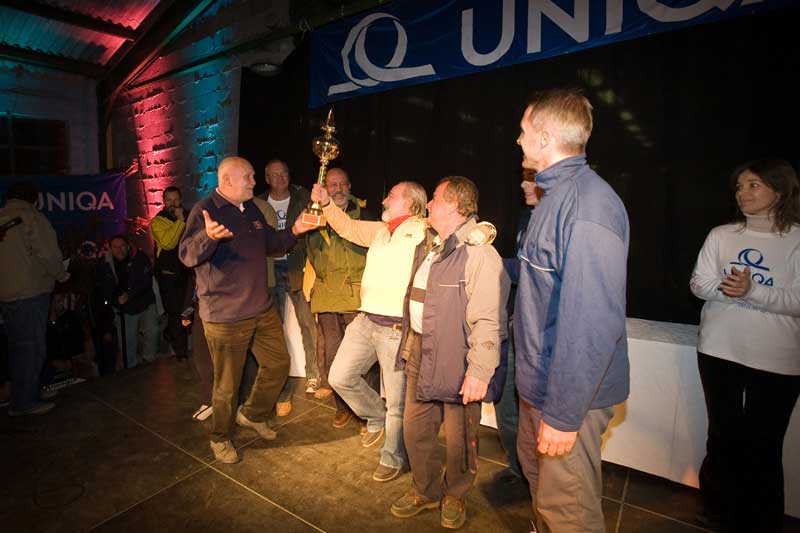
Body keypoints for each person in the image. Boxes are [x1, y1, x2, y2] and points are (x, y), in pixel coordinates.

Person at [514, 89, 630, 533]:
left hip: (566, 397)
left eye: (523, 131)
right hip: (543, 385)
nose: (518, 140)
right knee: (548, 498)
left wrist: (563, 416)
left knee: (569, 511)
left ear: (545, 137)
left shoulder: (586, 206)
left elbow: (591, 323)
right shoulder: (555, 197)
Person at [390, 177, 509, 529]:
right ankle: (425, 490)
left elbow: (489, 319)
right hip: (420, 350)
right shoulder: (433, 244)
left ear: (455, 205)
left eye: (435, 198)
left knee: (460, 440)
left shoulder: (480, 254)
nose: (428, 204)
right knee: (415, 430)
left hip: (458, 358)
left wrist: (479, 371)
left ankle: (455, 493)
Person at [179, 156, 313, 464]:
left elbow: (272, 243)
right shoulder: (206, 210)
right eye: (249, 177)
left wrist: (295, 229)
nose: (254, 182)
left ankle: (252, 414)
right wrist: (208, 237)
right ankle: (220, 437)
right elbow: (186, 255)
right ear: (226, 180)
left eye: (253, 176)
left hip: (260, 308)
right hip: (225, 317)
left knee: (278, 364)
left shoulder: (250, 208)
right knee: (227, 386)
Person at [690, 158, 800, 532]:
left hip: (776, 359)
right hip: (718, 350)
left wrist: (753, 291)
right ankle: (717, 509)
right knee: (721, 434)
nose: (743, 193)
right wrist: (731, 288)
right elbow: (698, 284)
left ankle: (760, 520)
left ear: (779, 189)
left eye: (754, 185)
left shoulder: (796, 240)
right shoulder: (722, 235)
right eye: (739, 186)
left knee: (764, 444)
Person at [305, 168, 380, 429]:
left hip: (357, 296)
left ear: (349, 186)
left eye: (341, 184)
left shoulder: (366, 215)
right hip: (327, 296)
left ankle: (367, 412)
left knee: (362, 359)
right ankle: (343, 408)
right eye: (332, 185)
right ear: (325, 188)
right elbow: (310, 251)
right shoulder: (313, 214)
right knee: (333, 355)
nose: (337, 190)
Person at [0, 181, 69, 416]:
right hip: (30, 291)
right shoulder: (31, 217)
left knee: (18, 346)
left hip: (7, 294)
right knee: (31, 347)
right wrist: (61, 274)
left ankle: (29, 391)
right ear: (33, 198)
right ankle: (25, 402)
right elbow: (48, 253)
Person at [259, 159, 318, 416]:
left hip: (297, 267)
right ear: (266, 178)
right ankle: (281, 388)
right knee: (274, 330)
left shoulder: (302, 197)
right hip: (270, 269)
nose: (281, 178)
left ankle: (314, 375)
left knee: (308, 322)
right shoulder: (258, 203)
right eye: (275, 174)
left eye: (284, 173)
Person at [97, 235, 159, 369]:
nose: (119, 250)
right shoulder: (105, 265)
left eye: (122, 246)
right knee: (128, 343)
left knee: (152, 332)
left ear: (128, 246)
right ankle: (131, 369)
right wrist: (115, 301)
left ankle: (149, 363)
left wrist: (129, 295)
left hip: (145, 303)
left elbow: (146, 281)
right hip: (124, 310)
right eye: (115, 247)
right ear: (110, 249)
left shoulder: (139, 257)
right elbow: (104, 289)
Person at [151, 186, 191, 360]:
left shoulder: (190, 216)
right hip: (169, 277)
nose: (172, 203)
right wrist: (180, 222)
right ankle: (181, 354)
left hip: (188, 275)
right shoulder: (157, 221)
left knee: (189, 312)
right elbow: (168, 243)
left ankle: (172, 336)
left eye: (175, 199)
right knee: (175, 315)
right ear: (163, 201)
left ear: (181, 200)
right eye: (169, 200)